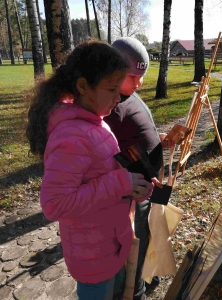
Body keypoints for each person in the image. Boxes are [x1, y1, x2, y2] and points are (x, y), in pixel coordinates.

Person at [26, 40, 155, 300]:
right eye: (111, 90)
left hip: (111, 244)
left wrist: (135, 185)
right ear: (83, 86)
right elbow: (55, 205)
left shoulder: (95, 121)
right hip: (93, 257)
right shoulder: (70, 135)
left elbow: (103, 173)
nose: (118, 98)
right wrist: (122, 183)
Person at [104, 37, 173, 300]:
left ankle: (147, 273)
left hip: (148, 187)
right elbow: (106, 154)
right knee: (135, 247)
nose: (140, 83)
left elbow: (133, 136)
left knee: (148, 240)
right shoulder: (108, 106)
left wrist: (159, 139)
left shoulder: (127, 94)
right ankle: (135, 293)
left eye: (142, 76)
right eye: (133, 76)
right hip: (132, 195)